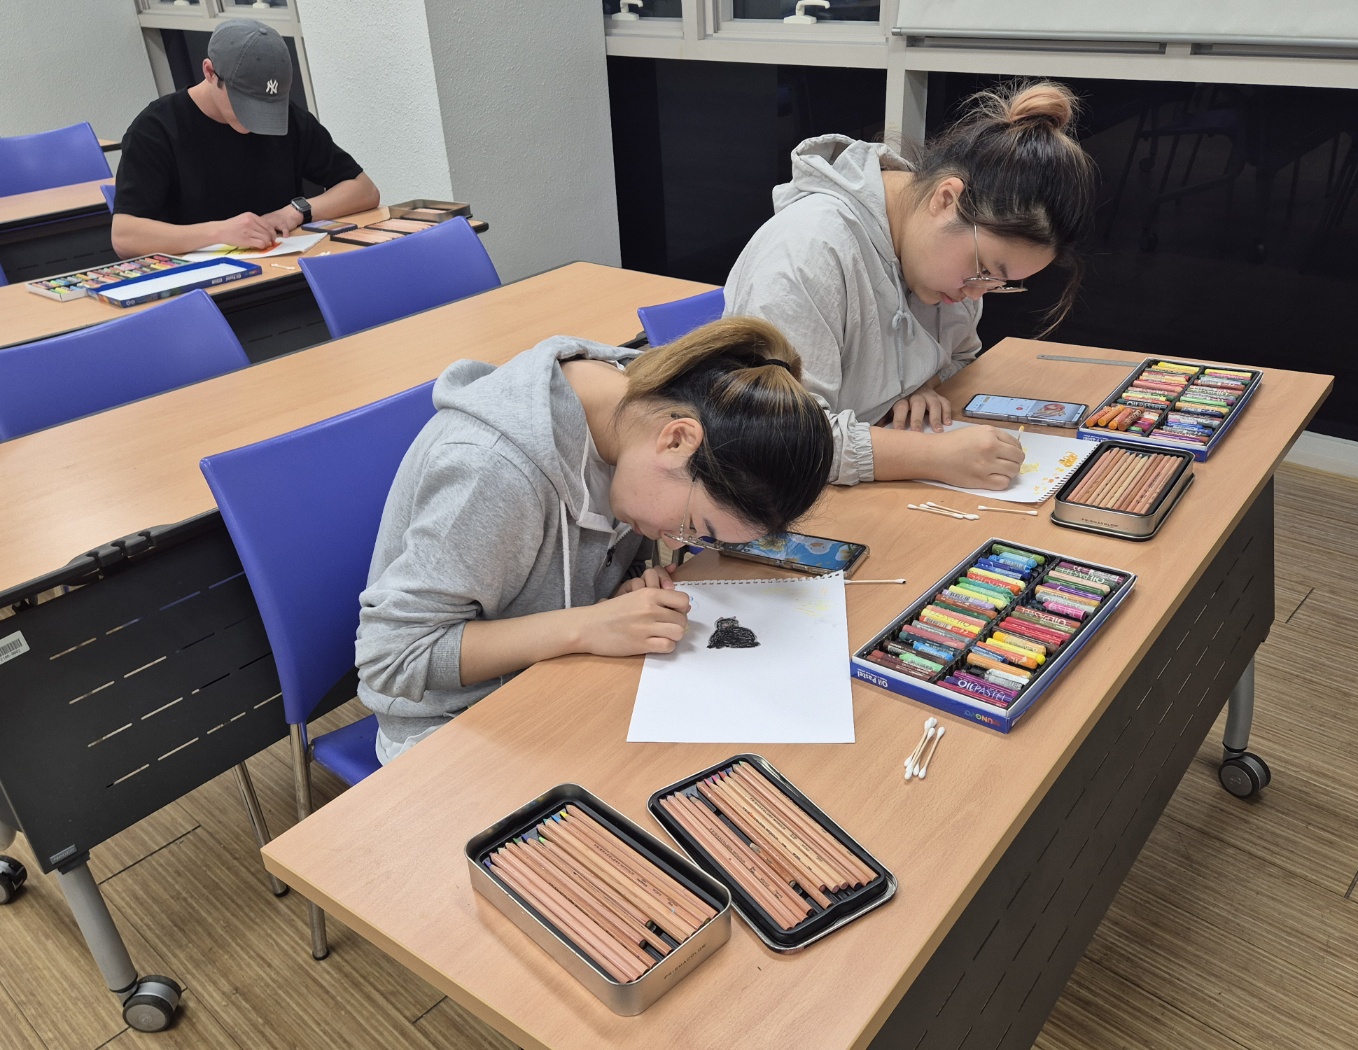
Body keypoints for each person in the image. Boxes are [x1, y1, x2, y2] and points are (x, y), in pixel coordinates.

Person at [355, 318, 834, 761]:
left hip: (557, 676)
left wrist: (620, 592)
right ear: (676, 441)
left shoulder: (639, 412)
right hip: (451, 724)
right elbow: (391, 655)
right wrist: (587, 625)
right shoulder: (493, 470)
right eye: (693, 526)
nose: (678, 542)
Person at [724, 80, 1097, 490]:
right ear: (946, 199)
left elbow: (960, 356)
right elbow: (774, 438)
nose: (976, 293)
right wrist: (932, 455)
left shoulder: (942, 262)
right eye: (983, 269)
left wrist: (923, 384)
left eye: (999, 284)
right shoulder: (807, 249)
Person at [110, 19, 378, 258]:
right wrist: (220, 232)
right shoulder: (156, 130)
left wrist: (295, 211)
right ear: (209, 72)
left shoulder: (290, 119)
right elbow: (125, 236)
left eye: (267, 106)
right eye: (246, 104)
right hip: (202, 283)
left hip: (283, 268)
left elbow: (364, 189)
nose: (257, 119)